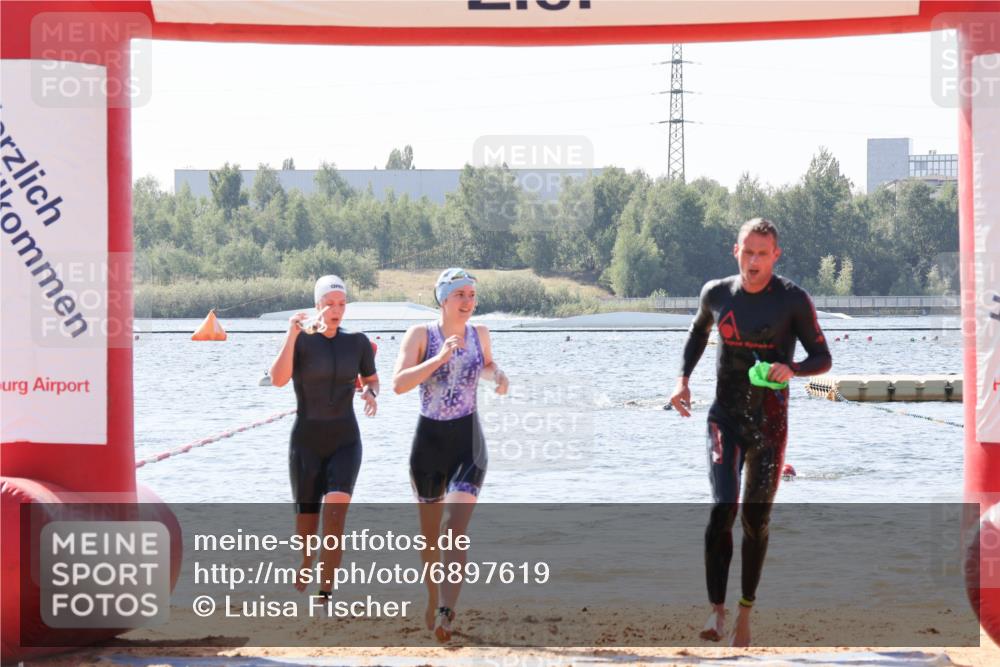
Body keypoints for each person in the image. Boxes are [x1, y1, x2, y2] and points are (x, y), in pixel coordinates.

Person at [668, 218, 832, 647]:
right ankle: (716, 611)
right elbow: (698, 332)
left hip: (769, 426)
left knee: (755, 522)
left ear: (775, 256)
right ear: (734, 251)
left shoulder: (793, 301)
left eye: (762, 253)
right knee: (723, 507)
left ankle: (744, 612)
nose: (754, 261)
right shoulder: (717, 293)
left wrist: (791, 367)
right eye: (747, 252)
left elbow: (822, 357)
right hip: (724, 417)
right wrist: (683, 379)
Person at [392, 268, 509, 641]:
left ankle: (446, 610)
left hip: (468, 442)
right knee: (430, 538)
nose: (468, 302)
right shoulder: (421, 335)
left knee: (453, 530)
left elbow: (486, 365)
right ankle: (432, 597)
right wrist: (438, 359)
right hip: (428, 444)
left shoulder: (480, 334)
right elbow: (398, 383)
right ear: (443, 299)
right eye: (460, 295)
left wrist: (498, 375)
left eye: (472, 295)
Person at [269, 274, 379, 597]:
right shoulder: (302, 341)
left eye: (342, 304)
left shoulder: (357, 342)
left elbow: (372, 379)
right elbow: (277, 380)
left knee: (334, 519)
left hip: (346, 441)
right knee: (306, 525)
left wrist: (372, 394)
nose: (336, 310)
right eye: (329, 303)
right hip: (306, 444)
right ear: (317, 305)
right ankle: (305, 559)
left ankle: (325, 594)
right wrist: (291, 335)